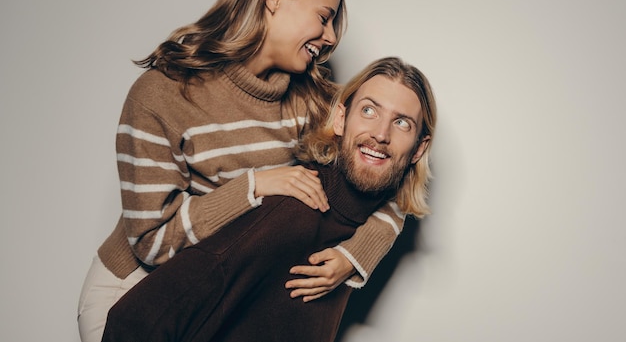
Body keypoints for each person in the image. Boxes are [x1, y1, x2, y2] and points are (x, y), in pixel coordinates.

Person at [77, 0, 404, 342]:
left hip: (223, 294)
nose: (332, 36)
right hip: (134, 289)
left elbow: (389, 177)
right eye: (324, 17)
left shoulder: (315, 103)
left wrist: (354, 257)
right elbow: (151, 243)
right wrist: (254, 186)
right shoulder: (162, 94)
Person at [101, 56, 437, 342]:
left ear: (418, 149)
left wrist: (356, 256)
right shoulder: (290, 214)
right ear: (340, 119)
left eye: (402, 123)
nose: (380, 133)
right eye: (368, 110)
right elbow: (132, 323)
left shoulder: (356, 228)